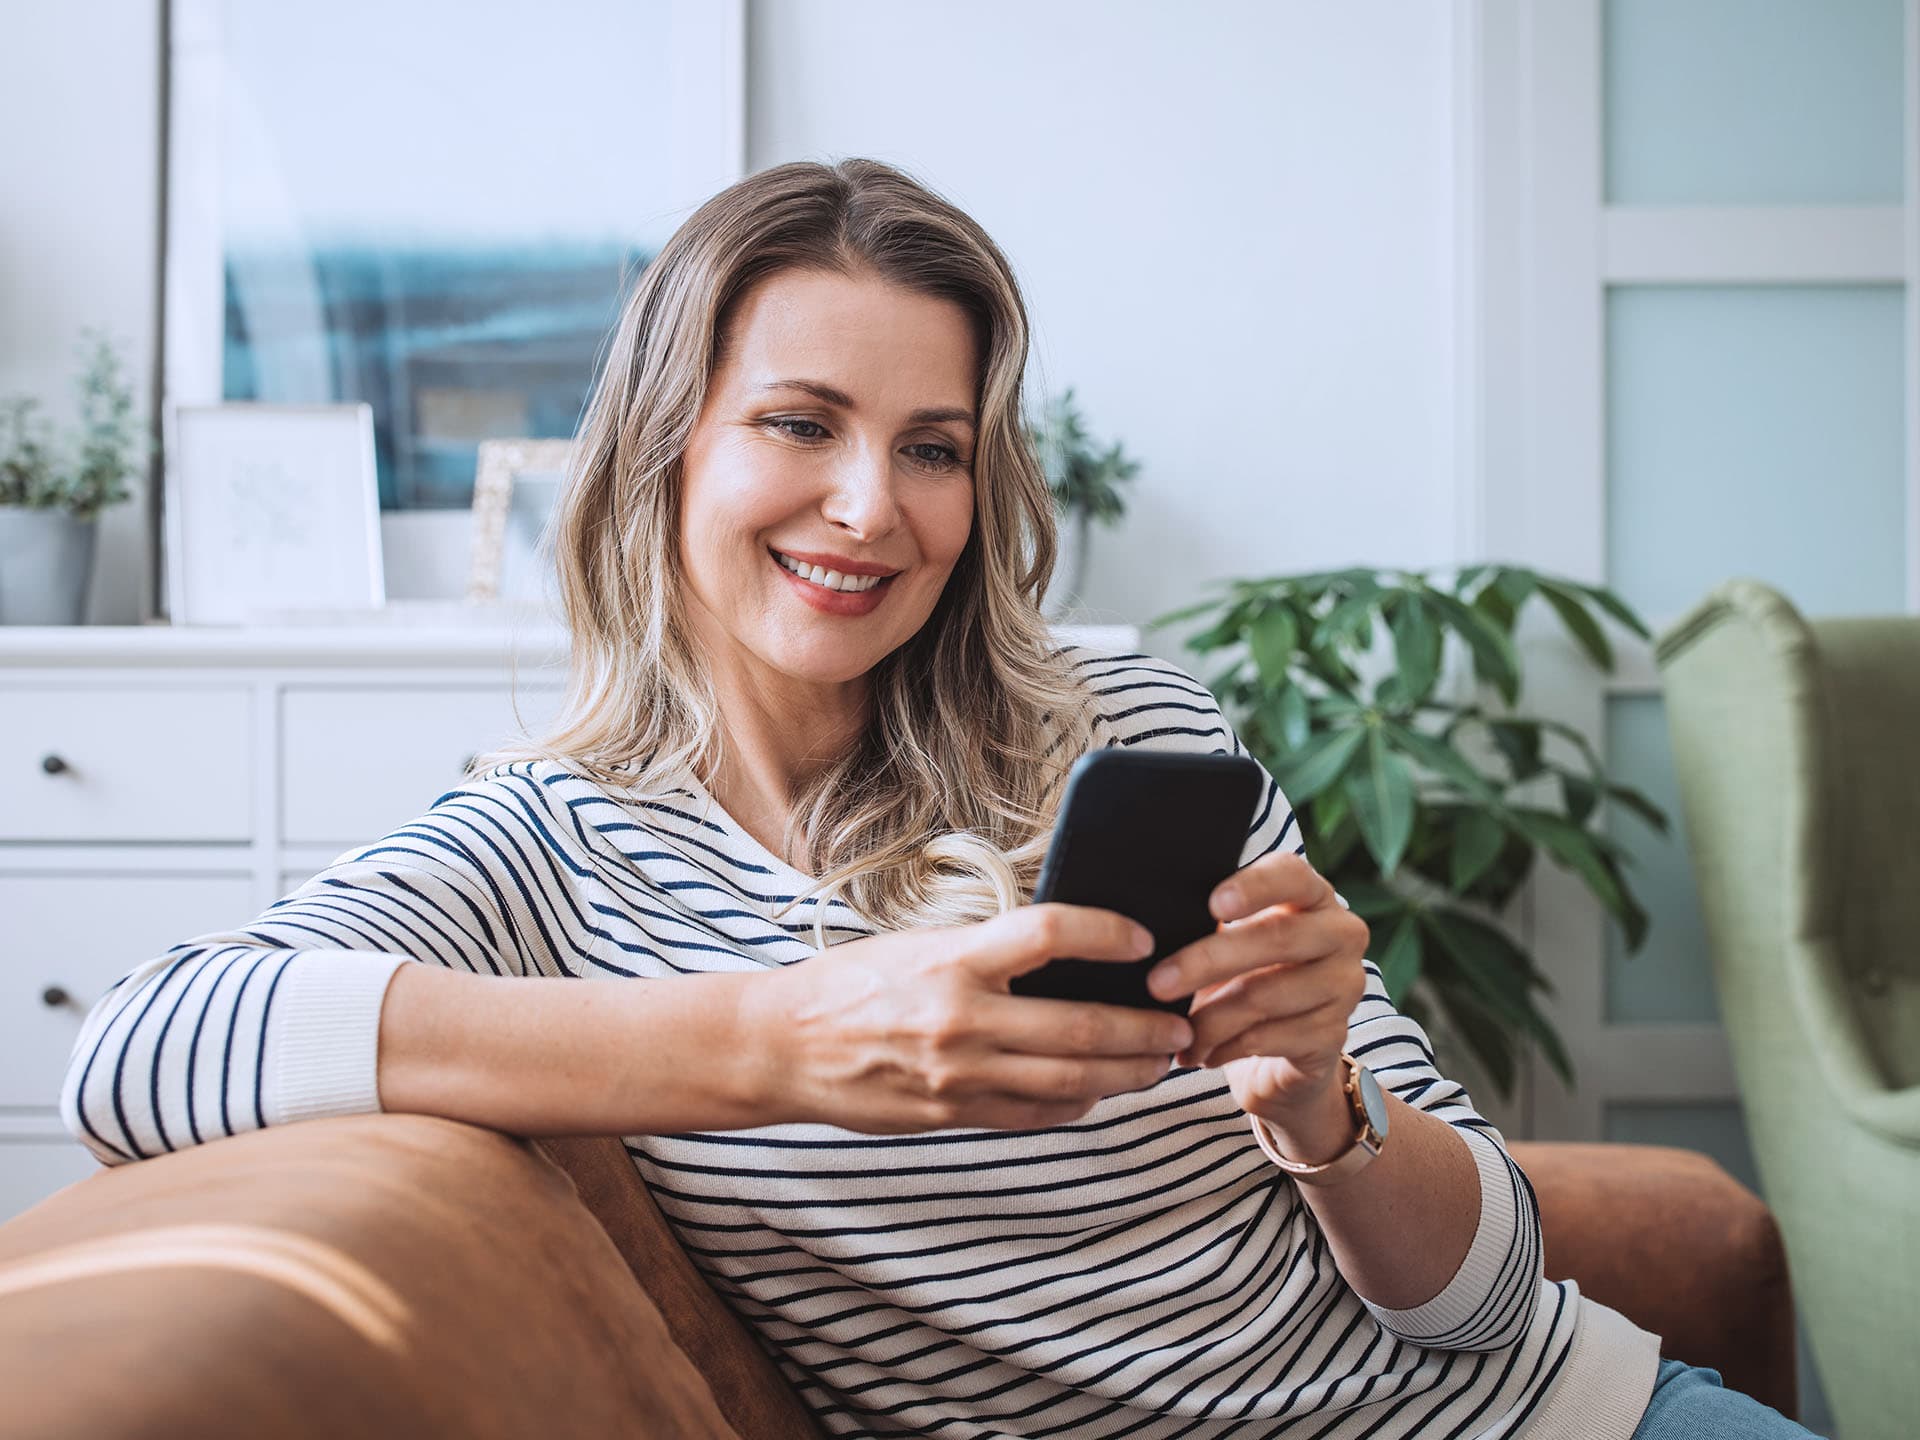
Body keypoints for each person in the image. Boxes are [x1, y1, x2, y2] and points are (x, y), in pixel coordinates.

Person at [59, 158, 1822, 1440]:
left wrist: (1327, 1110)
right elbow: (143, 1045)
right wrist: (787, 1041)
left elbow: (1487, 1299)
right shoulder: (542, 848)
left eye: (932, 447)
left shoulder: (1121, 729)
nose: (868, 509)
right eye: (801, 424)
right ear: (670, 446)